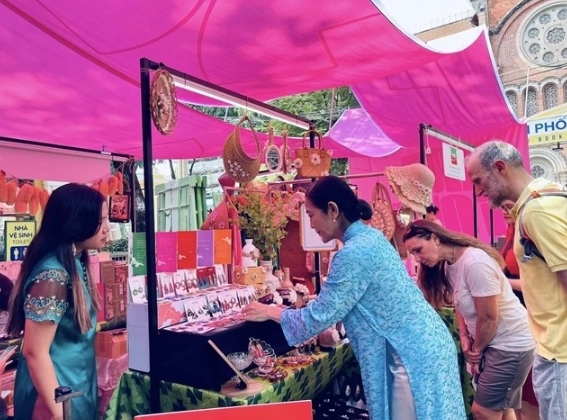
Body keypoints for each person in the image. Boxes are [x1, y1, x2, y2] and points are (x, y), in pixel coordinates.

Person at [242, 175, 466, 420]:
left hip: (408, 355)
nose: (310, 223)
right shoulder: (370, 238)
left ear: (333, 210)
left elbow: (318, 318)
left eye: (311, 214)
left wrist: (271, 312)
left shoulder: (355, 252)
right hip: (423, 345)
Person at [466, 140, 567, 420]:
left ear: (500, 168)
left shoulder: (537, 210)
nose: (477, 191)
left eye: (478, 180)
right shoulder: (542, 199)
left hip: (559, 352)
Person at [403, 219, 535, 420]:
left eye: (418, 250)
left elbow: (489, 318)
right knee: (502, 408)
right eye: (413, 254)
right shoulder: (450, 264)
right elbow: (459, 304)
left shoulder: (475, 263)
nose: (417, 258)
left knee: (483, 411)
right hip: (496, 343)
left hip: (510, 345)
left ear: (436, 238)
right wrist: (464, 336)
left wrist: (477, 351)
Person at [7, 183, 109, 420]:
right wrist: (59, 411)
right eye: (100, 220)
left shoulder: (74, 263)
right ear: (76, 221)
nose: (107, 229)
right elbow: (34, 352)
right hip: (53, 394)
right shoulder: (53, 276)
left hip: (74, 384)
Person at [498, 201, 540, 420]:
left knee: (530, 389)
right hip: (517, 311)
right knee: (519, 393)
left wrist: (503, 282)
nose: (505, 211)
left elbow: (534, 281)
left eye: (509, 206)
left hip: (530, 309)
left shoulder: (528, 235)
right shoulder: (512, 230)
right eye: (502, 207)